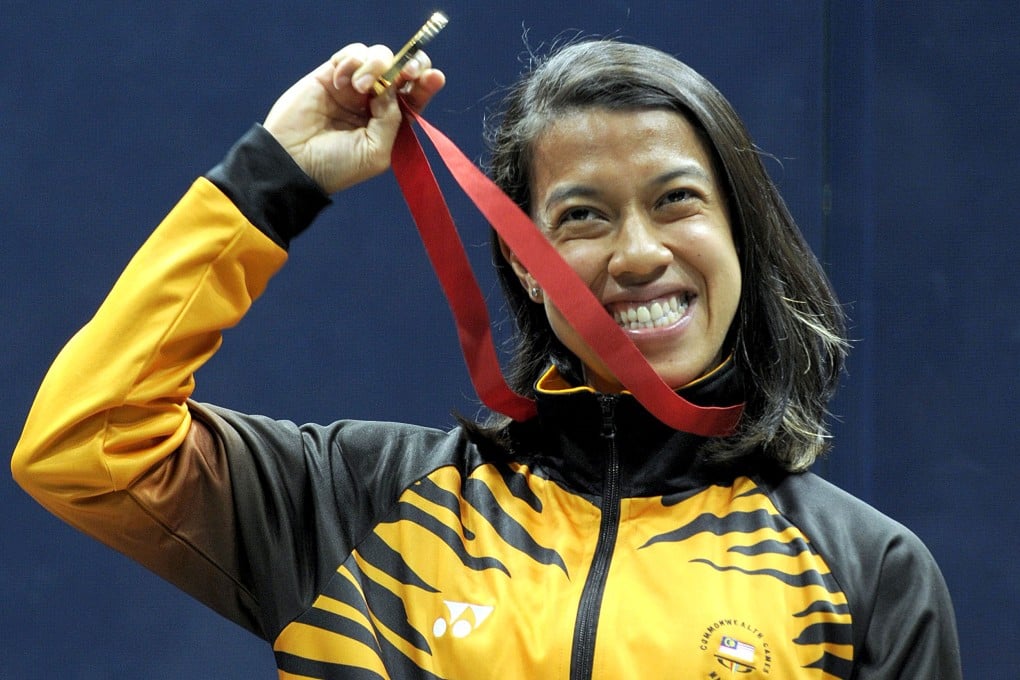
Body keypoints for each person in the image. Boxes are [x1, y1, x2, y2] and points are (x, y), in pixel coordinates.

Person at [11, 37, 961, 679]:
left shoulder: (864, 574)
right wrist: (274, 176)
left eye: (676, 201)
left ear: (740, 234)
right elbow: (81, 445)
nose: (636, 253)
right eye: (582, 216)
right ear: (525, 262)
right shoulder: (362, 506)